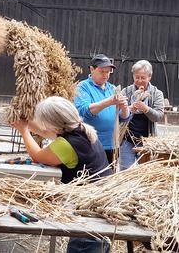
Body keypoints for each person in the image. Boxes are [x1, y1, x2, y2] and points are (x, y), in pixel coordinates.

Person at [10, 96, 112, 253]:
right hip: (101, 206)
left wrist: (24, 131)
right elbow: (47, 132)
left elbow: (38, 155)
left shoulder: (66, 145)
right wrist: (26, 123)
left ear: (55, 127)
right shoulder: (81, 130)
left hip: (88, 218)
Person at [74, 54, 131, 165]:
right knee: (91, 178)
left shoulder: (112, 88)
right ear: (92, 69)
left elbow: (123, 118)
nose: (105, 75)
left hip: (112, 145)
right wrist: (109, 102)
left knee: (109, 178)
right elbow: (84, 111)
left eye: (108, 72)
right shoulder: (83, 87)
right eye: (102, 71)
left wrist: (124, 108)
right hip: (91, 143)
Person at [119, 60, 164, 170]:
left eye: (143, 78)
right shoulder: (126, 92)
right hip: (126, 140)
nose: (139, 81)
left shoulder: (157, 94)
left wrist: (146, 109)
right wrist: (128, 109)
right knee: (125, 172)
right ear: (133, 76)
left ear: (150, 77)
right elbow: (116, 113)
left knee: (145, 172)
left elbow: (159, 116)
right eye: (136, 77)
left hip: (147, 141)